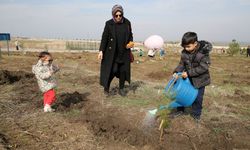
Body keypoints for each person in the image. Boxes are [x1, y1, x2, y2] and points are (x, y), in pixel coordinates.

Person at [172, 32, 212, 121]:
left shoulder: (203, 53)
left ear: (195, 44)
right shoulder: (184, 52)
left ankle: (196, 114)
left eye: (188, 46)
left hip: (200, 80)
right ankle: (180, 110)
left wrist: (189, 73)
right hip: (187, 79)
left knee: (198, 98)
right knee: (181, 94)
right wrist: (176, 71)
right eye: (184, 47)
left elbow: (203, 67)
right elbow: (182, 64)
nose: (186, 48)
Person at [98, 4, 134, 97]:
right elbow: (104, 38)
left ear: (122, 14)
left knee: (123, 71)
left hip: (124, 52)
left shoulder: (127, 23)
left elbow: (130, 35)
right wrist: (101, 50)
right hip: (112, 53)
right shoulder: (109, 23)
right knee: (113, 71)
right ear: (113, 15)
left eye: (120, 15)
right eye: (116, 15)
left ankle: (121, 89)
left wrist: (131, 42)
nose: (118, 17)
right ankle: (106, 87)